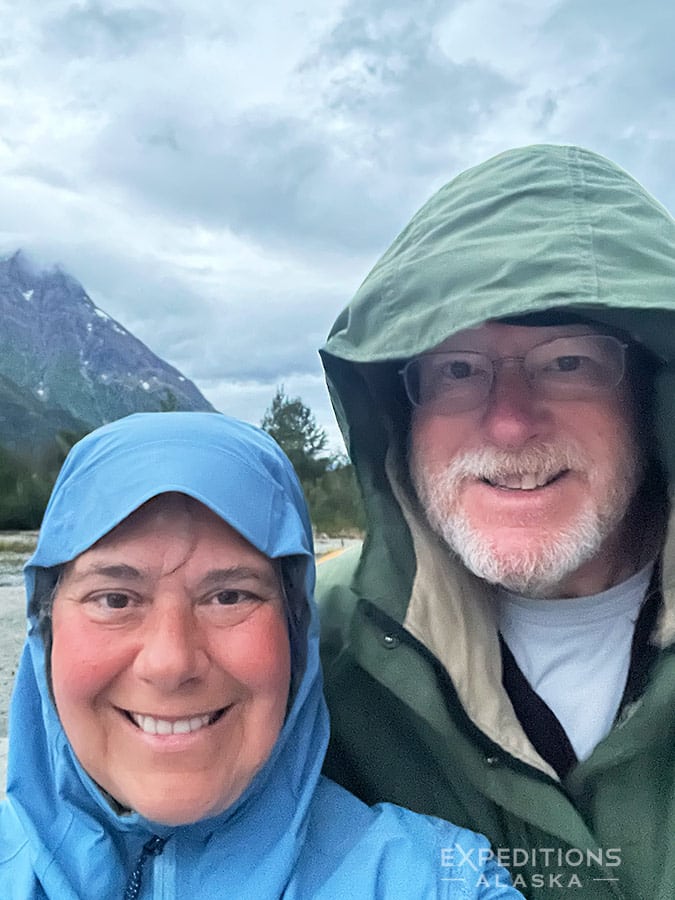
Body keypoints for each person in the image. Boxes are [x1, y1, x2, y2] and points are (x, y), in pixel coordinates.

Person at [317, 144, 675, 899]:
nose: (509, 425)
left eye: (567, 362)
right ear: (396, 413)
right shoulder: (310, 647)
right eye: (456, 370)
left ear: (650, 397)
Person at [0, 411, 519, 898]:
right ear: (45, 632)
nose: (170, 661)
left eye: (229, 596)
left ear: (296, 634)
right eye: (114, 599)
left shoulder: (440, 882)